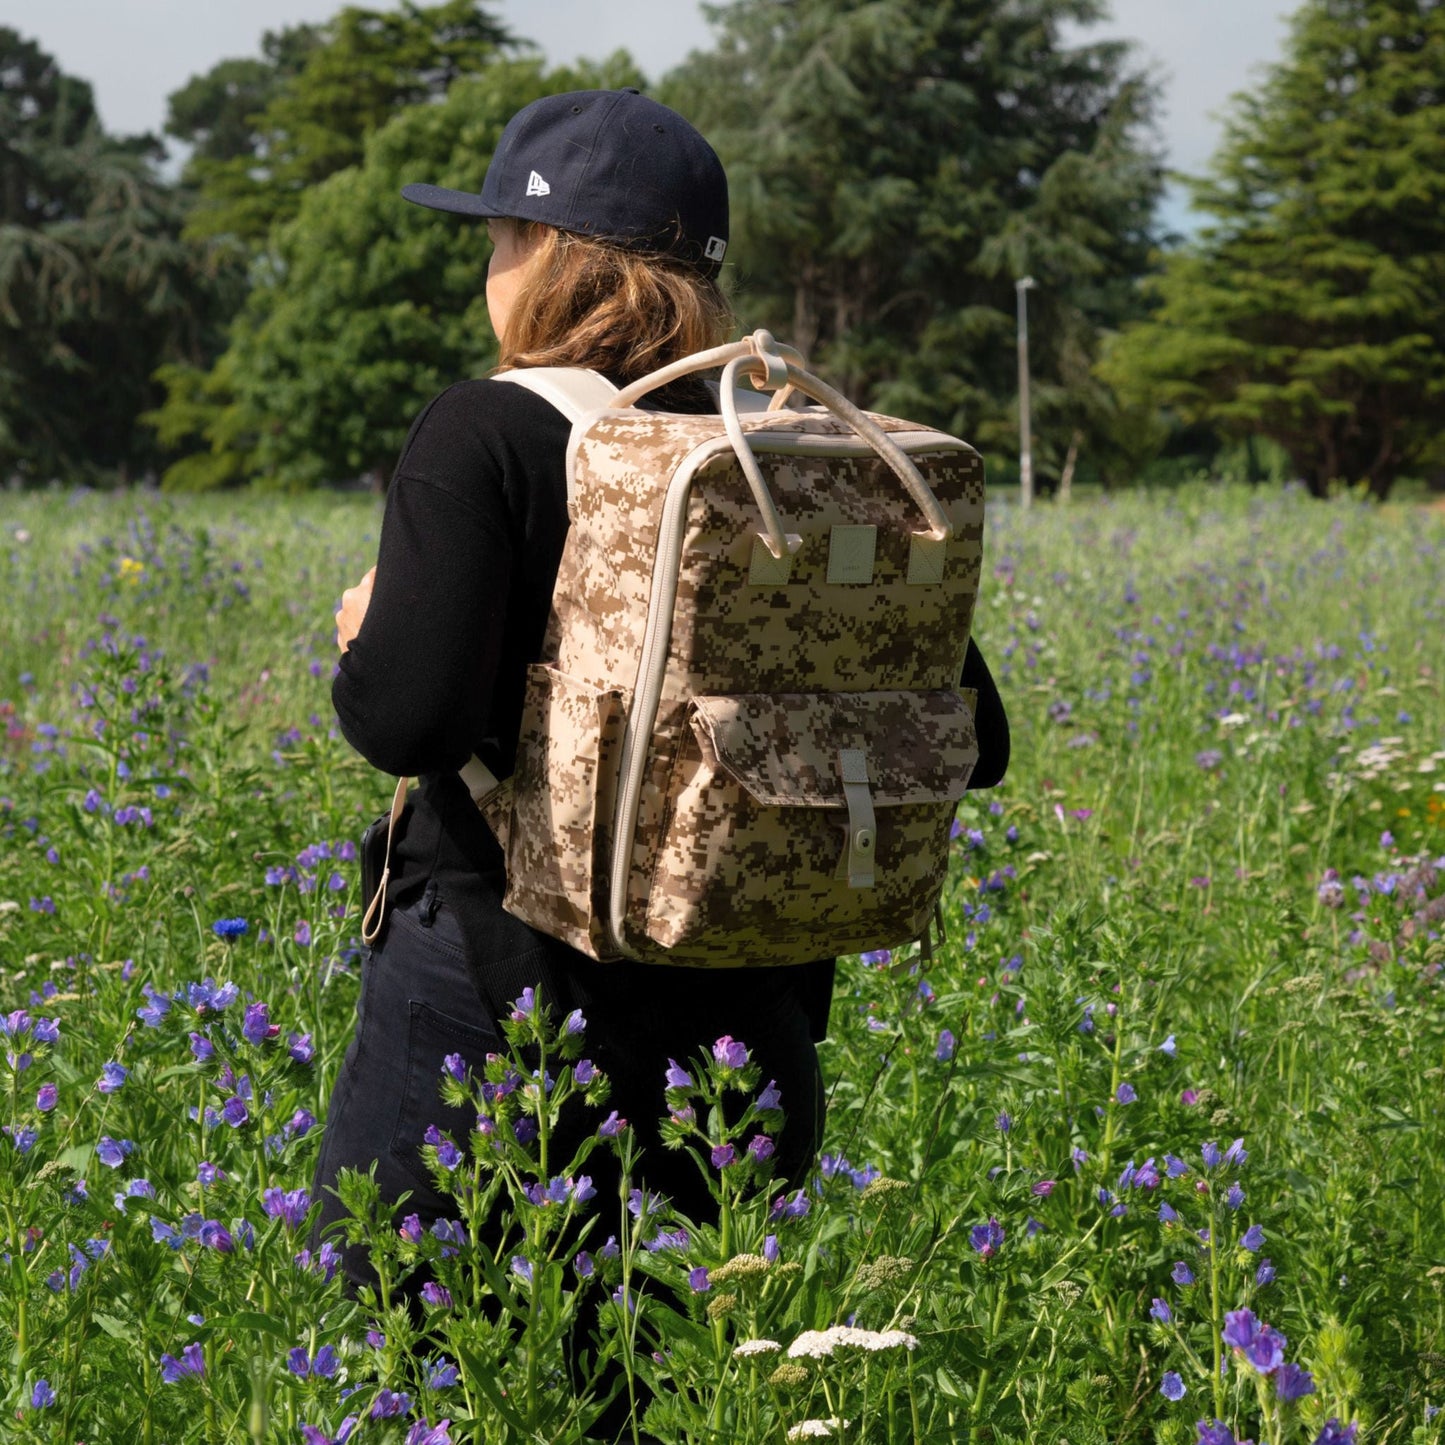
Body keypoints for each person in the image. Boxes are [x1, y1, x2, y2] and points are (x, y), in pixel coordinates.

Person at [312, 83, 1008, 1324]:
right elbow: (975, 738)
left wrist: (366, 635)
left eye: (495, 237)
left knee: (432, 1375)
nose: (489, 265)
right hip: (742, 1042)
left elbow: (406, 724)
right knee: (678, 1381)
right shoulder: (791, 452)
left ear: (544, 255)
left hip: (496, 1014)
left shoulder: (485, 431)